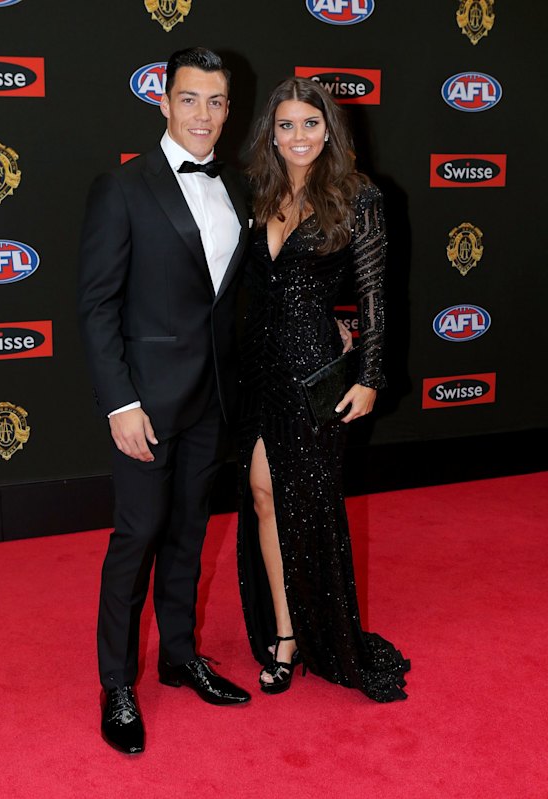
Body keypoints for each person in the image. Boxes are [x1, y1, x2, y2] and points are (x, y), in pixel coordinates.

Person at [77, 47, 252, 756]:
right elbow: (95, 307)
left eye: (216, 101)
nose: (203, 115)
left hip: (211, 398)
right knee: (137, 537)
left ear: (228, 108)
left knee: (188, 534)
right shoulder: (121, 188)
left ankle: (179, 655)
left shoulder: (239, 186)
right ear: (162, 100)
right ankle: (117, 682)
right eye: (189, 99)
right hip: (145, 403)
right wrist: (120, 404)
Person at [236, 77, 410, 701]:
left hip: (314, 375)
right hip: (258, 369)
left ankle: (325, 633)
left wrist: (369, 375)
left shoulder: (359, 198)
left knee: (308, 506)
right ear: (271, 134)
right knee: (261, 494)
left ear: (330, 130)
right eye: (286, 125)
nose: (299, 136)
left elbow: (374, 296)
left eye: (311, 123)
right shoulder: (259, 191)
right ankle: (286, 633)